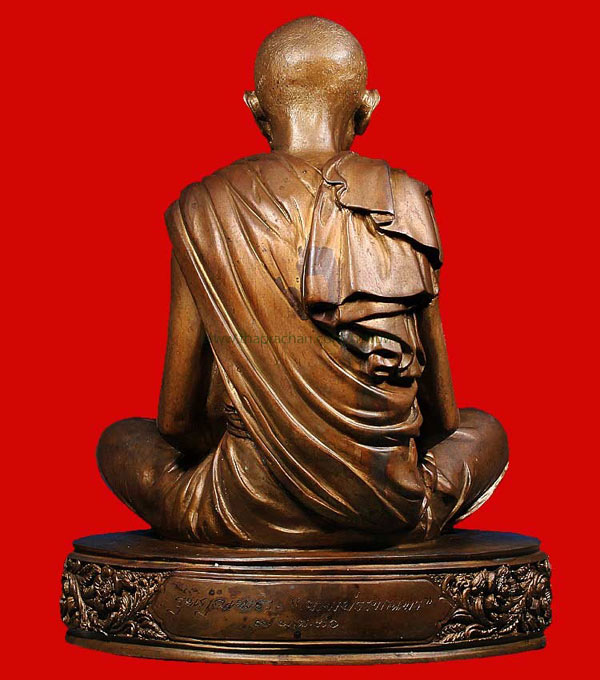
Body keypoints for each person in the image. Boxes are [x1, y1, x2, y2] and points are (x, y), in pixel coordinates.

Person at [97, 17, 508, 548]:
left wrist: (263, 435)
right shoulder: (403, 201)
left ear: (254, 108)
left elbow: (175, 422)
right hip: (390, 509)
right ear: (367, 107)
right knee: (485, 432)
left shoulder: (204, 207)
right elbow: (443, 419)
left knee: (121, 440)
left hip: (241, 508)